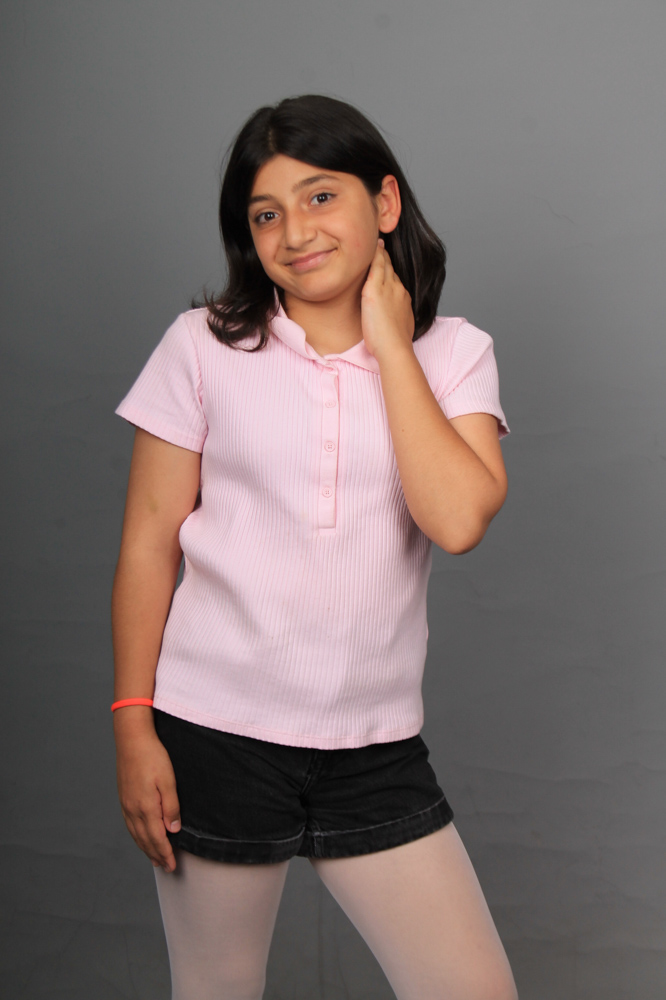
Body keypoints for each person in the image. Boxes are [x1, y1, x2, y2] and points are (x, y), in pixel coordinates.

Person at [111, 94, 518, 1000]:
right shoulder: (201, 347)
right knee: (215, 989)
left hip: (373, 745)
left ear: (385, 203)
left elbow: (456, 520)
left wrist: (390, 347)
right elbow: (147, 545)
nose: (295, 232)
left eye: (320, 197)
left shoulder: (455, 354)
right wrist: (133, 725)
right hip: (212, 735)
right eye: (265, 214)